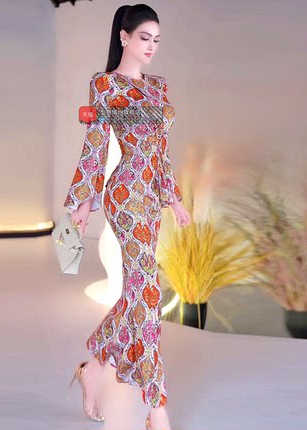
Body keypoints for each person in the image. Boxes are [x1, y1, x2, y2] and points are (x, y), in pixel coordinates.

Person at [64, 4, 191, 430]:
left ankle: (94, 368)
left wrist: (174, 198)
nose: (151, 46)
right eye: (144, 38)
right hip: (125, 195)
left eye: (157, 40)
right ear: (124, 37)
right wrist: (84, 202)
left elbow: (161, 152)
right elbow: (96, 145)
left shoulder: (158, 87)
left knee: (140, 292)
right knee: (149, 294)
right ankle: (157, 408)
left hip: (151, 199)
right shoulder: (105, 85)